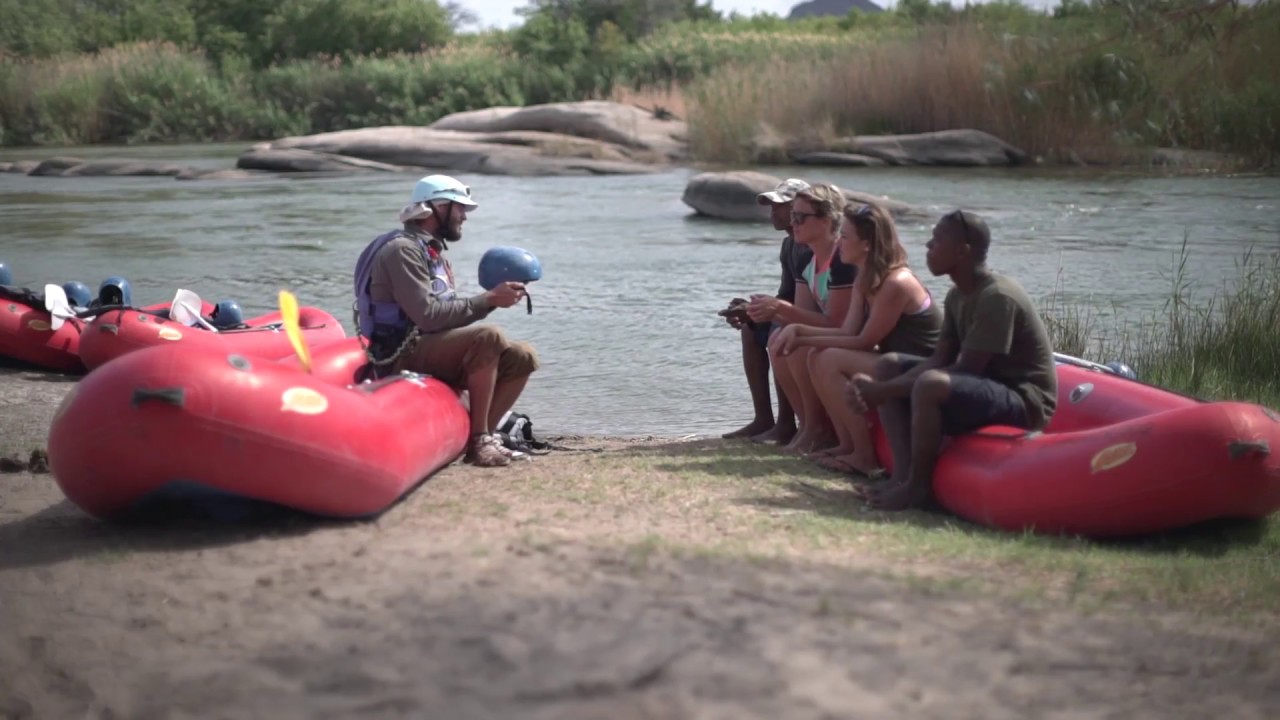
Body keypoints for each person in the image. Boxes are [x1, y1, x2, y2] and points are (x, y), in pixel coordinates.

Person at [846, 210, 1058, 510]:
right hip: (989, 387)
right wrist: (884, 383)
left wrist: (880, 392)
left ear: (962, 251)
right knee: (887, 364)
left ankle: (919, 489)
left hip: (1024, 401)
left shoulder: (997, 297)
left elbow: (964, 371)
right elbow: (939, 358)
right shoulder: (957, 297)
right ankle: (903, 478)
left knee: (930, 384)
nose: (928, 246)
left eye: (937, 240)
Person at [353, 174, 539, 468]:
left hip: (426, 346)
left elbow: (443, 314)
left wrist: (489, 301)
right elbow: (427, 317)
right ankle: (479, 441)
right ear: (436, 208)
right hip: (400, 353)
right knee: (490, 336)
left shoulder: (432, 252)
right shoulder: (403, 251)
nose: (464, 216)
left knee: (523, 356)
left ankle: (482, 436)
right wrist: (489, 300)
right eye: (459, 208)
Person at [775, 202, 942, 477]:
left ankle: (865, 458)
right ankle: (847, 445)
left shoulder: (896, 282)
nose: (839, 242)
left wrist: (804, 337)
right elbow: (848, 331)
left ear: (866, 244)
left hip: (921, 369)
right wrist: (800, 332)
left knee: (827, 358)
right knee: (818, 353)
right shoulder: (865, 277)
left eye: (845, 236)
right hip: (894, 363)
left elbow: (864, 341)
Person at [747, 183, 856, 455]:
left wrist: (778, 309)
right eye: (792, 216)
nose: (792, 222)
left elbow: (838, 323)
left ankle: (813, 429)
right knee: (782, 338)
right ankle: (808, 427)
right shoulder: (805, 258)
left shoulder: (842, 258)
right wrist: (767, 309)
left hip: (863, 341)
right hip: (843, 334)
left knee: (790, 338)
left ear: (826, 220)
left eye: (799, 217)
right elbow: (799, 308)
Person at [722, 178, 814, 445]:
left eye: (779, 206)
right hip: (797, 314)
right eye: (771, 207)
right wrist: (751, 309)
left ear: (798, 209)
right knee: (750, 330)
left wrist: (768, 312)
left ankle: (786, 423)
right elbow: (787, 297)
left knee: (777, 329)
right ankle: (763, 418)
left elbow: (809, 305)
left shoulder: (810, 246)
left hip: (814, 322)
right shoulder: (789, 246)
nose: (773, 212)